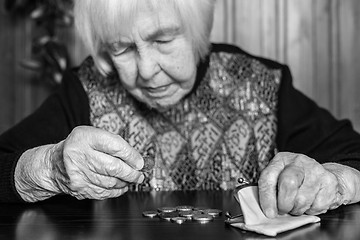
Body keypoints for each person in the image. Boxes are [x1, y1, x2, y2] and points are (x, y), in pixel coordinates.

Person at [1, 0, 360, 219]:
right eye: (121, 49)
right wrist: (48, 167)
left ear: (197, 32)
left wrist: (333, 180)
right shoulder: (84, 88)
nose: (145, 70)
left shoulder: (261, 82)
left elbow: (353, 156)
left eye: (163, 40)